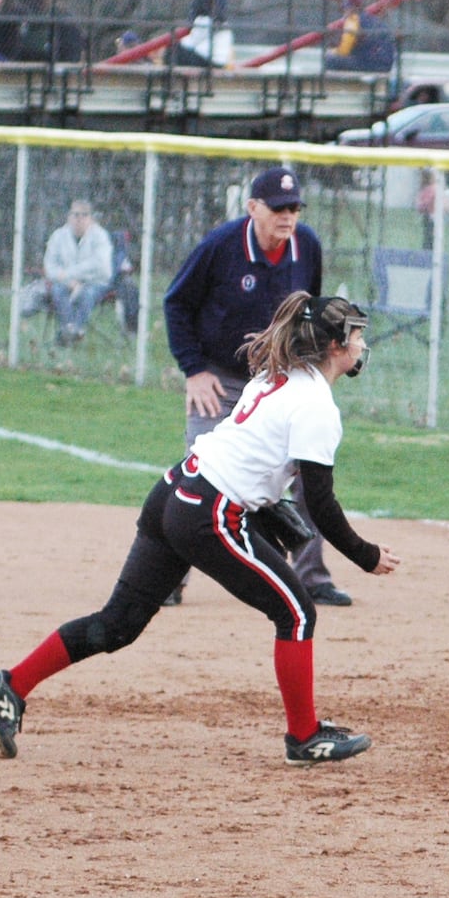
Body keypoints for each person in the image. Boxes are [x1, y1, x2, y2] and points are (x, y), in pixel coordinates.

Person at [0, 292, 401, 766]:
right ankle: (304, 738)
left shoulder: (278, 377)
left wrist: (260, 507)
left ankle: (10, 685)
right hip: (209, 514)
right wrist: (365, 554)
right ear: (335, 346)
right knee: (297, 614)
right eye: (357, 335)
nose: (362, 344)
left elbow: (250, 456)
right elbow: (319, 503)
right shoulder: (316, 405)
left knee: (118, 625)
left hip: (176, 492)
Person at [164, 168, 352, 609]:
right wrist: (193, 369)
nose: (289, 217)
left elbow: (312, 314)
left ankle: (312, 577)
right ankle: (167, 577)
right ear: (253, 208)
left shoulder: (306, 246)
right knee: (200, 470)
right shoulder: (221, 247)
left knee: (310, 474)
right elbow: (177, 303)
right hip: (222, 380)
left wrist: (311, 378)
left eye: (295, 208)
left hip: (283, 382)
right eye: (279, 208)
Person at [40, 200, 116, 346]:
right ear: (69, 217)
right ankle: (71, 331)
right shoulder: (58, 236)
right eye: (75, 215)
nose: (79, 219)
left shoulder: (100, 236)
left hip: (95, 282)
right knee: (57, 291)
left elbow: (100, 266)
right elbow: (50, 266)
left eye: (84, 215)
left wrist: (70, 275)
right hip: (66, 283)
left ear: (91, 219)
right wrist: (69, 281)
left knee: (86, 294)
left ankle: (70, 333)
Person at [322, 0, 396, 73]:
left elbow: (344, 50)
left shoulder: (353, 20)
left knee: (330, 59)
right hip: (386, 66)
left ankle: (339, 83)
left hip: (369, 65)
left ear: (349, 9)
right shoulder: (372, 19)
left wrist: (332, 51)